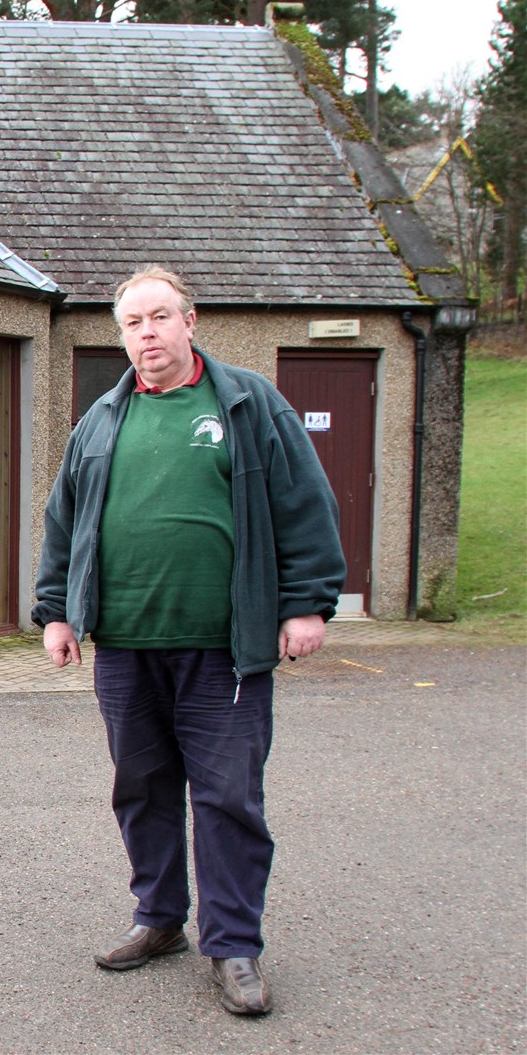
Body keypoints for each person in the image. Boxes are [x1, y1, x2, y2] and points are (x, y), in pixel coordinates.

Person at [32, 267, 345, 1016]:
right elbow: (63, 522)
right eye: (131, 322)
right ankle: (160, 918)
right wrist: (55, 612)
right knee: (140, 789)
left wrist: (306, 604)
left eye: (159, 317)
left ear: (189, 321)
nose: (146, 332)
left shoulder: (245, 403)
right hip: (126, 646)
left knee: (226, 798)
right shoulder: (102, 419)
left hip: (221, 646)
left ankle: (233, 945)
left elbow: (303, 501)